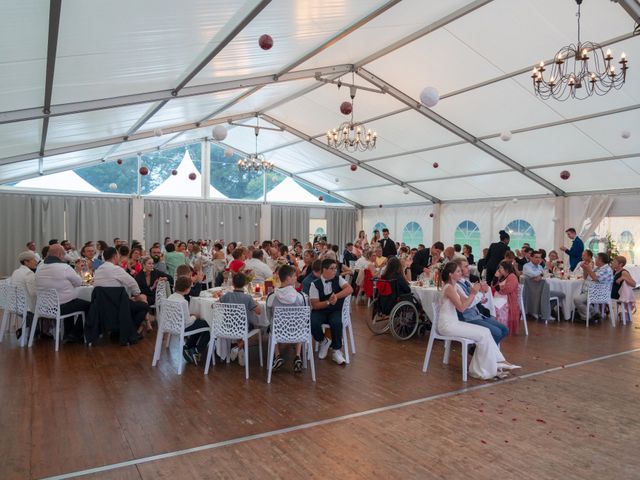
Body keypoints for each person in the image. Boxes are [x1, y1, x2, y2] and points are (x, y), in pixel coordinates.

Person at [438, 262, 520, 380]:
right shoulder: (449, 288)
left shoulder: (454, 286)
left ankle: (496, 363)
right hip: (447, 325)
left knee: (486, 332)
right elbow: (462, 307)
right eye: (458, 271)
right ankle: (490, 367)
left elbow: (467, 301)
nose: (461, 272)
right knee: (483, 334)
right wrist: (474, 293)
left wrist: (476, 294)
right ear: (451, 275)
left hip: (454, 322)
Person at [35, 244, 89, 343]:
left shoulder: (40, 266)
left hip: (43, 306)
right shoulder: (64, 267)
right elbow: (79, 282)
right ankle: (75, 334)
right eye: (64, 254)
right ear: (60, 254)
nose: (64, 256)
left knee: (71, 300)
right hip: (60, 307)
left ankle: (68, 334)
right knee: (89, 305)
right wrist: (77, 270)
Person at [94, 247, 150, 334]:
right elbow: (132, 283)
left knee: (133, 303)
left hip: (103, 306)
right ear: (115, 256)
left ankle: (120, 330)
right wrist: (137, 297)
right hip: (119, 305)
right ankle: (131, 330)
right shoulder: (115, 269)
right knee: (144, 306)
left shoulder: (97, 271)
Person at [453, 258, 509, 345]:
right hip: (467, 318)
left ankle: (479, 351)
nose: (469, 268)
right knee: (497, 332)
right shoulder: (456, 286)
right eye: (466, 266)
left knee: (505, 329)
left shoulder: (466, 282)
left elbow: (472, 298)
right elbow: (468, 304)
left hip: (477, 315)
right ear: (458, 270)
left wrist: (481, 298)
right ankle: (484, 353)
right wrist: (481, 293)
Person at [309, 259, 353, 365]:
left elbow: (350, 289)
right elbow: (315, 305)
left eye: (335, 268)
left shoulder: (338, 279)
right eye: (332, 268)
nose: (335, 271)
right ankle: (323, 340)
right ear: (324, 270)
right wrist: (328, 302)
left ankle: (336, 351)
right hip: (321, 310)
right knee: (313, 321)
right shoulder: (314, 284)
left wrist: (336, 297)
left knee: (336, 322)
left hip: (335, 310)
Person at [268, 265, 308, 374]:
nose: (296, 278)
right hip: (297, 331)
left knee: (272, 325)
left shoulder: (272, 296)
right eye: (294, 276)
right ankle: (298, 356)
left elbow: (269, 317)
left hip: (279, 331)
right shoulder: (300, 296)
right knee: (300, 323)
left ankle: (277, 356)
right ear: (288, 279)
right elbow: (304, 317)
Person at [220, 272, 262, 367]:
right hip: (242, 328)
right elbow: (259, 312)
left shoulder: (227, 295)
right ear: (245, 284)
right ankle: (238, 347)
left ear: (233, 284)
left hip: (228, 326)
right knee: (253, 325)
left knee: (242, 324)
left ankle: (238, 347)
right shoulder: (247, 297)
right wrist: (256, 302)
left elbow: (215, 305)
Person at [167, 276, 211, 366]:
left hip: (171, 324)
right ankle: (196, 351)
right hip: (182, 327)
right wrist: (194, 316)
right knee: (209, 325)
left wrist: (193, 317)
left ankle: (188, 346)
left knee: (199, 324)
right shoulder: (183, 302)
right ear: (187, 289)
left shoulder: (171, 297)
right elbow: (188, 323)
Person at [573, 252, 613, 321]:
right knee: (577, 296)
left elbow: (595, 278)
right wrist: (585, 269)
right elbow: (586, 277)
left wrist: (588, 268)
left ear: (600, 260)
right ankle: (594, 313)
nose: (595, 260)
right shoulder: (598, 268)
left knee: (577, 299)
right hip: (591, 290)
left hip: (598, 293)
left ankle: (586, 317)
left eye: (596, 258)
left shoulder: (606, 269)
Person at [11, 251, 38, 339]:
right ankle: (36, 333)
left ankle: (25, 329)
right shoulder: (29, 273)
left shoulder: (16, 271)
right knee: (48, 307)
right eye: (33, 260)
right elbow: (33, 293)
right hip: (27, 307)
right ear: (26, 262)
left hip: (15, 304)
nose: (36, 262)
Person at [522, 250, 554, 322]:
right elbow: (533, 274)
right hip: (531, 291)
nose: (538, 259)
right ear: (531, 257)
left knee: (561, 294)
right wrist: (541, 274)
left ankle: (542, 311)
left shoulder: (539, 266)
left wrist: (541, 274)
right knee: (546, 292)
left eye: (539, 258)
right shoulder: (526, 266)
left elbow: (544, 274)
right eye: (536, 257)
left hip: (542, 289)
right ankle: (545, 314)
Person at [493, 260, 521, 334]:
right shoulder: (502, 277)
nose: (499, 270)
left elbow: (508, 289)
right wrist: (496, 277)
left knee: (496, 307)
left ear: (507, 269)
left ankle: (501, 327)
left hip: (508, 299)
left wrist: (498, 288)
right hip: (500, 297)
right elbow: (493, 286)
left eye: (501, 268)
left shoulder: (512, 277)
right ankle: (494, 327)